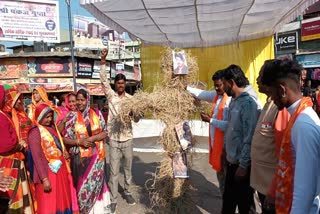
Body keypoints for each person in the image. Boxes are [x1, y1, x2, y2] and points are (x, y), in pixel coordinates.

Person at [260, 59, 320, 213]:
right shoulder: (298, 117)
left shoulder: (303, 125)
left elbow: (305, 189)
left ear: (282, 90)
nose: (271, 98)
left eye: (271, 92)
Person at [100, 48, 140, 213]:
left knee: (128, 170)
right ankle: (114, 199)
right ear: (115, 85)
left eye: (123, 84)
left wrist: (135, 113)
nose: (120, 86)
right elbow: (103, 81)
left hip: (128, 138)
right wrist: (103, 61)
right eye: (118, 83)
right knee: (114, 171)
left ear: (125, 85)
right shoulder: (111, 96)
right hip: (114, 140)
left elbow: (137, 119)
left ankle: (128, 192)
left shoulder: (132, 100)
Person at [250, 61, 290, 214]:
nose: (257, 80)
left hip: (272, 187)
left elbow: (284, 156)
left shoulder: (281, 107)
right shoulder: (269, 103)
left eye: (260, 76)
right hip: (262, 183)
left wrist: (275, 190)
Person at [64, 87, 110, 213]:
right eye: (77, 100)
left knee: (97, 185)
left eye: (82, 100)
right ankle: (85, 210)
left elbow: (105, 132)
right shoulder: (72, 117)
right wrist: (79, 142)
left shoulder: (97, 114)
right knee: (82, 186)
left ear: (87, 100)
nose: (79, 103)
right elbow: (65, 139)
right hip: (80, 159)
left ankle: (98, 210)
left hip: (96, 157)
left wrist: (91, 138)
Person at [221, 64, 260, 214]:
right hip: (231, 164)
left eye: (224, 83)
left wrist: (243, 165)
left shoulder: (248, 104)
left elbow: (249, 137)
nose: (223, 87)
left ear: (232, 82)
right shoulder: (234, 102)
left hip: (242, 167)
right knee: (228, 204)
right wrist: (225, 150)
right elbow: (231, 129)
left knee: (245, 206)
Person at [186, 70, 231, 194]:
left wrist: (210, 120)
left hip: (227, 149)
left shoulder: (230, 100)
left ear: (226, 83)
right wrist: (186, 88)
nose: (216, 88)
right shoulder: (217, 96)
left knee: (229, 182)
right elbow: (202, 94)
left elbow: (228, 126)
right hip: (218, 146)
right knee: (221, 179)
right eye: (215, 85)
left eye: (219, 85)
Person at [28, 103, 72, 214]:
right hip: (47, 173)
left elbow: (59, 144)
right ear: (39, 117)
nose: (49, 119)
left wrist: (63, 152)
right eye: (46, 117)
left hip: (59, 170)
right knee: (49, 202)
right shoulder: (35, 132)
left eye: (50, 116)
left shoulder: (52, 128)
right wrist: (44, 179)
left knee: (60, 200)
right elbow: (37, 157)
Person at [0, 85, 34, 213]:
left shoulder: (8, 115)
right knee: (12, 196)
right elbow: (6, 144)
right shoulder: (4, 116)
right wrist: (19, 145)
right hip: (9, 163)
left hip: (18, 157)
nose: (20, 101)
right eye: (16, 99)